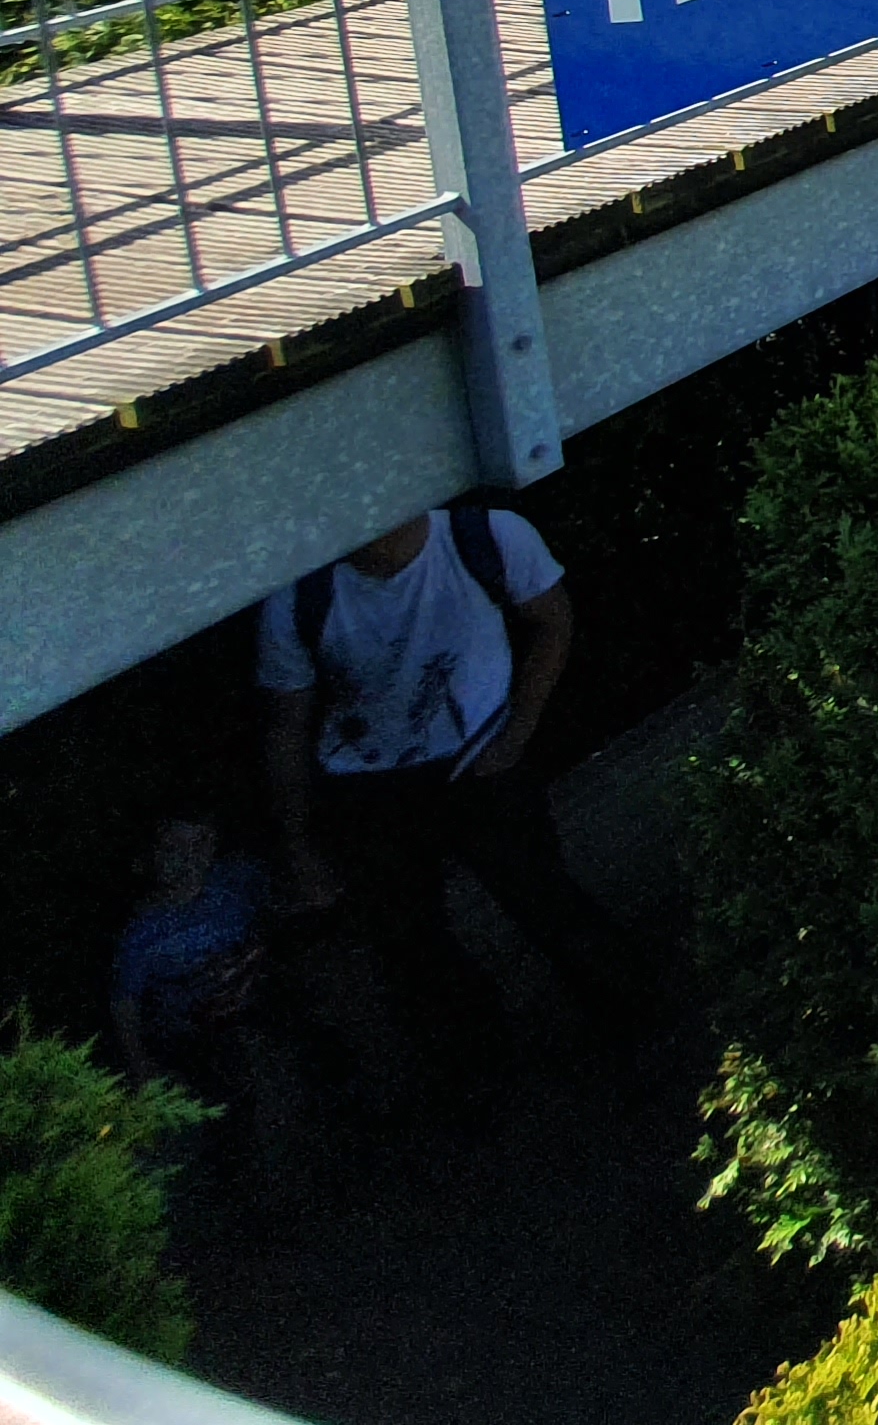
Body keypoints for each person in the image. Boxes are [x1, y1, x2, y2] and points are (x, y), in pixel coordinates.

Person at [256, 505, 644, 1068]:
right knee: (412, 949)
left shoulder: (484, 537)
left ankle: (638, 1025)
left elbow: (553, 619)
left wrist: (520, 727)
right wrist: (298, 846)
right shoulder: (298, 599)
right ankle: (474, 1076)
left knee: (547, 901)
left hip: (480, 760)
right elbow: (285, 726)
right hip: (371, 786)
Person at [109, 805, 304, 1211]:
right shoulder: (141, 934)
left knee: (266, 1070)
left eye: (200, 842)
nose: (190, 855)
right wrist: (141, 1063)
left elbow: (285, 904)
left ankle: (279, 1191)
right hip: (189, 1037)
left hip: (259, 1013)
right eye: (175, 845)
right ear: (156, 855)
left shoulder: (236, 884)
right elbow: (125, 1003)